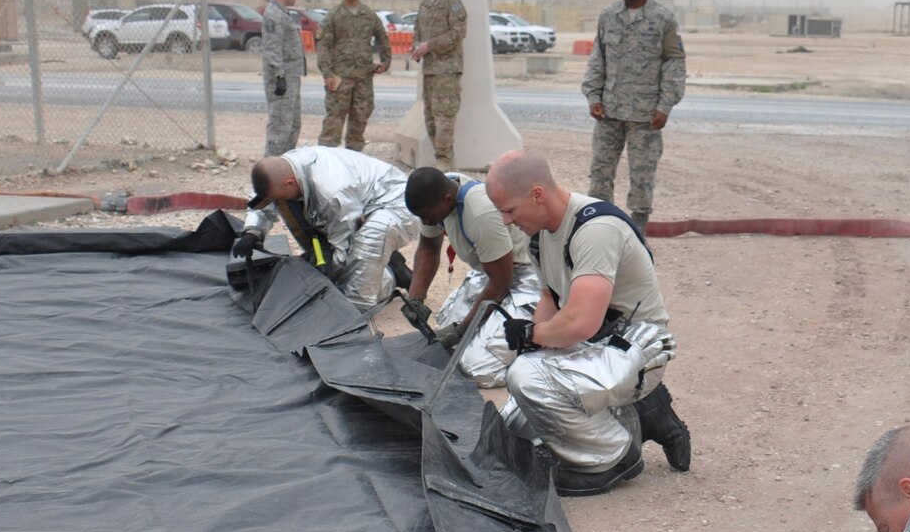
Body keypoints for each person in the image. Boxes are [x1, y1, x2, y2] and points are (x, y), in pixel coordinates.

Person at [483, 150, 691, 496]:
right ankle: (647, 412)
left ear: (537, 195)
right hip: (602, 345)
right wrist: (531, 346)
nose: (506, 221)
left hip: (636, 347)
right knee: (518, 423)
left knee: (527, 380)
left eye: (508, 210)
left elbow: (579, 323)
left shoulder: (595, 230)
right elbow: (551, 298)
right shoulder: (540, 234)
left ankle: (612, 457)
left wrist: (532, 337)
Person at [401, 165, 542, 387]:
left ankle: (541, 350)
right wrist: (416, 297)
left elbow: (501, 283)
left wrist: (461, 331)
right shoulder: (437, 196)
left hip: (525, 280)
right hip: (491, 271)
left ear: (447, 200)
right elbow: (428, 247)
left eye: (428, 217)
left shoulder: (480, 213)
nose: (426, 223)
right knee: (445, 342)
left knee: (474, 369)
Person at [235, 147, 417, 307]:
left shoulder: (332, 191)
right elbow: (263, 199)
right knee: (324, 272)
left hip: (397, 204)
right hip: (356, 208)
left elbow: (345, 242)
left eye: (279, 197)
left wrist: (330, 272)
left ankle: (392, 274)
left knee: (349, 297)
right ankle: (379, 264)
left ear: (290, 183)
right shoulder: (284, 169)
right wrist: (252, 232)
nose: (277, 202)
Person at [582, 0, 686, 235]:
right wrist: (593, 96)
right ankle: (598, 227)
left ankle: (638, 228)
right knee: (600, 173)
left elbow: (674, 63)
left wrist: (665, 105)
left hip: (645, 115)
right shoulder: (609, 16)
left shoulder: (663, 19)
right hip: (609, 112)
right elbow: (597, 58)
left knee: (642, 175)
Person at [315, 0, 392, 152]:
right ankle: (327, 157)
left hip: (363, 76)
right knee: (334, 119)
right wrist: (327, 73)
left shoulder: (368, 15)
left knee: (360, 117)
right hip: (340, 76)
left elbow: (382, 38)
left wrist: (385, 61)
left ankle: (353, 156)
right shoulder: (334, 15)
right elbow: (324, 45)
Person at [410, 0, 468, 168]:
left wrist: (430, 46)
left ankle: (445, 161)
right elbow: (417, 30)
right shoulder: (425, 5)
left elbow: (458, 33)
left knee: (444, 117)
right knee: (431, 118)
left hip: (447, 69)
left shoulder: (452, 3)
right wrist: (416, 47)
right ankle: (439, 158)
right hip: (430, 71)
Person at [260, 0, 307, 157]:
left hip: (290, 76)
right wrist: (279, 76)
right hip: (282, 79)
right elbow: (272, 48)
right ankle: (271, 169)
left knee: (292, 125)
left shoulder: (282, 13)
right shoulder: (273, 15)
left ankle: (284, 168)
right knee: (280, 127)